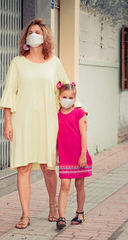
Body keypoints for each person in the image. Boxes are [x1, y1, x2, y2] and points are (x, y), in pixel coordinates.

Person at [0, 18, 81, 229]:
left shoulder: (55, 62)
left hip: (48, 121)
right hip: (23, 121)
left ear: (45, 37)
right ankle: (25, 214)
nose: (33, 34)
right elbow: (10, 94)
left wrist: (79, 110)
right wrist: (8, 123)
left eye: (38, 31)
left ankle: (53, 205)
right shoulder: (17, 63)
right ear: (26, 37)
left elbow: (66, 89)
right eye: (30, 31)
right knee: (23, 167)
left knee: (48, 167)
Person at [55, 82, 92, 229]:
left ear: (75, 99)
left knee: (79, 185)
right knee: (64, 185)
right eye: (64, 96)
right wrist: (56, 154)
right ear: (59, 98)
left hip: (78, 155)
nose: (67, 99)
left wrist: (83, 155)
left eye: (70, 97)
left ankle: (80, 212)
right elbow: (56, 137)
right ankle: (61, 217)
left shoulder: (79, 113)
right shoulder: (56, 115)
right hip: (65, 156)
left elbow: (83, 134)